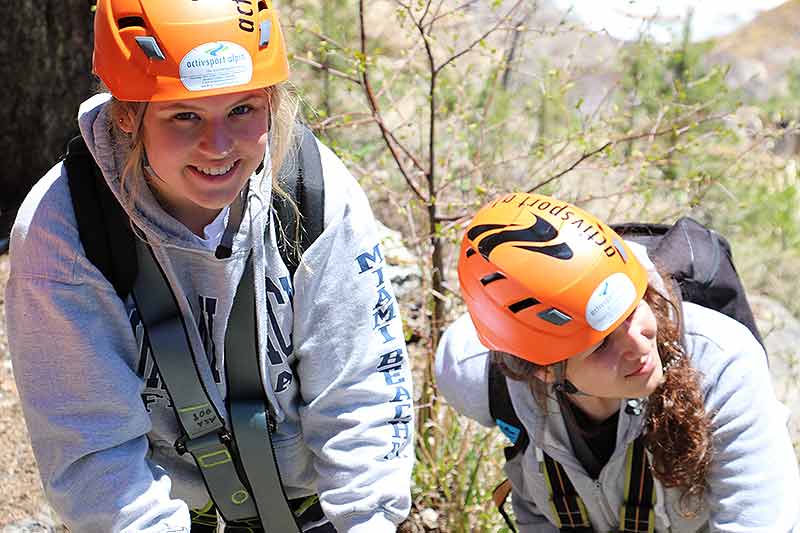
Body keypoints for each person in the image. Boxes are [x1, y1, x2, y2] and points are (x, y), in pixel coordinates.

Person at [6, 1, 413, 532]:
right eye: (185, 115)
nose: (218, 147)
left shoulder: (313, 195)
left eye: (243, 109)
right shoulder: (63, 232)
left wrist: (369, 521)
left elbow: (361, 395)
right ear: (127, 114)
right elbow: (94, 454)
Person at [435, 192, 800, 532]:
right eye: (601, 343)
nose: (638, 343)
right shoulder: (485, 382)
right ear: (545, 370)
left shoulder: (721, 363)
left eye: (632, 308)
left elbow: (758, 520)